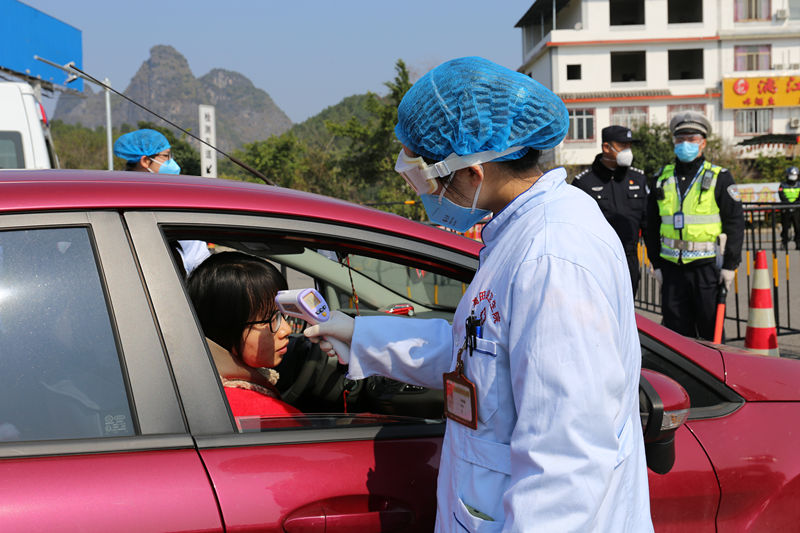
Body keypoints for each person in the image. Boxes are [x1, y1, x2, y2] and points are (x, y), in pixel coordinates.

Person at [306, 57, 652, 532]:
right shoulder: (519, 234)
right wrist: (362, 336)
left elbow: (566, 464)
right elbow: (481, 355)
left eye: (427, 178)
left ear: (473, 171)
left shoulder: (552, 256)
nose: (427, 195)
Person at [645, 111, 744, 340]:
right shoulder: (661, 177)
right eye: (680, 139)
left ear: (703, 143)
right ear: (673, 142)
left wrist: (730, 265)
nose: (685, 145)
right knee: (676, 336)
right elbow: (651, 225)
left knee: (712, 332)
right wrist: (656, 264)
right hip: (671, 269)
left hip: (706, 269)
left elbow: (735, 223)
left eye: (691, 140)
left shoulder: (720, 177)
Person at [186, 251, 301, 417]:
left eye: (282, 315)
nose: (286, 330)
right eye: (268, 320)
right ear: (225, 328)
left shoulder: (199, 385)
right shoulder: (265, 414)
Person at [113, 128, 210, 274]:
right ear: (145, 161)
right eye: (166, 156)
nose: (172, 163)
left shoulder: (114, 193)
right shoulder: (171, 200)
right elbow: (197, 260)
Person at [572, 125, 648, 295]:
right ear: (606, 147)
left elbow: (648, 223)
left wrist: (657, 264)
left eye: (629, 146)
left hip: (629, 259)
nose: (628, 151)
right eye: (623, 146)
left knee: (629, 312)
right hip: (597, 261)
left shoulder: (638, 178)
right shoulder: (584, 183)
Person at [778, 166, 800, 251]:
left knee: (798, 227)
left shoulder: (799, 184)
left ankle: (798, 243)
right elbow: (781, 195)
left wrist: (795, 203)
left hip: (797, 209)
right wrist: (788, 203)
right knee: (785, 227)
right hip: (786, 208)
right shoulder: (783, 185)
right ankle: (784, 243)